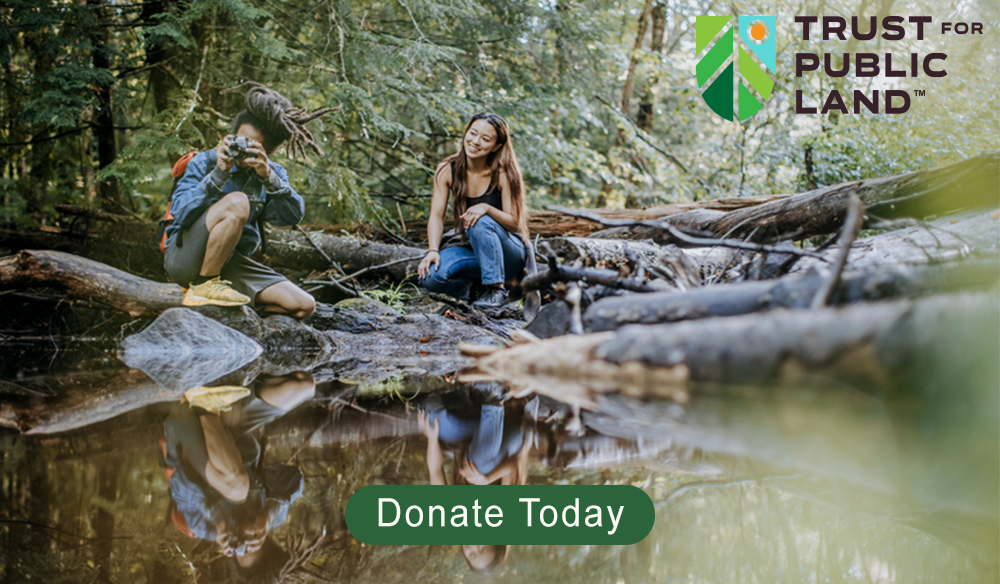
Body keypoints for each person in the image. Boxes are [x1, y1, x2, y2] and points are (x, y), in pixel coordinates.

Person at [164, 84, 333, 317]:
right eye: (239, 141)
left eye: (252, 147)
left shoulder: (272, 173)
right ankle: (204, 286)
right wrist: (218, 174)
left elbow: (291, 216)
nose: (242, 151)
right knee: (238, 201)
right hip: (185, 258)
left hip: (230, 264)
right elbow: (180, 213)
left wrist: (268, 178)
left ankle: (224, 301)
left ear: (269, 151)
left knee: (304, 306)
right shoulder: (204, 162)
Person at [159, 372, 316, 579]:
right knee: (303, 385)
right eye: (252, 543)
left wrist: (219, 518)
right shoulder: (272, 516)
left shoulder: (200, 526)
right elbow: (293, 477)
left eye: (239, 547)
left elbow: (185, 483)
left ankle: (204, 406)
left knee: (237, 489)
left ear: (231, 553)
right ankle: (214, 400)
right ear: (268, 542)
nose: (243, 539)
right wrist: (266, 515)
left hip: (183, 429)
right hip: (230, 426)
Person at [417, 113, 534, 309]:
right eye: (473, 133)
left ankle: (496, 290)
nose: (475, 142)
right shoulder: (447, 169)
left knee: (479, 219)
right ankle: (476, 292)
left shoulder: (504, 172)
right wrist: (432, 251)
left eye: (485, 139)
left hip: (509, 254)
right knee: (429, 277)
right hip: (474, 251)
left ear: (496, 146)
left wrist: (486, 208)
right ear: (466, 133)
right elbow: (436, 216)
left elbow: (515, 223)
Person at [417, 396, 532, 573]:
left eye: (471, 554)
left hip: (475, 432)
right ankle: (493, 396)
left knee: (432, 417)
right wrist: (486, 479)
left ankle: (465, 395)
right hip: (510, 436)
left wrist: (432, 439)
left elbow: (435, 470)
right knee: (481, 466)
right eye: (483, 549)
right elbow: (515, 466)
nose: (475, 546)